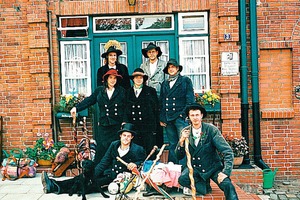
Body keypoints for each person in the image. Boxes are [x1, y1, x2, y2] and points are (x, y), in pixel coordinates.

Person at [41, 123, 146, 195]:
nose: (126, 138)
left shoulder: (137, 149)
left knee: (88, 186)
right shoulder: (114, 145)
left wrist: (135, 164)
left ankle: (57, 188)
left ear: (132, 137)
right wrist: (92, 174)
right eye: (124, 135)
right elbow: (104, 161)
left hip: (117, 179)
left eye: (129, 136)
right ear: (120, 136)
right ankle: (53, 184)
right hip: (108, 173)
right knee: (83, 178)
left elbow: (143, 163)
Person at [175, 103, 239, 199]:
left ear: (201, 115)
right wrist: (181, 141)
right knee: (182, 180)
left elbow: (227, 151)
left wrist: (225, 172)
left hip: (213, 168)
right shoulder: (185, 131)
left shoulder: (211, 130)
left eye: (197, 115)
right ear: (189, 117)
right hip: (195, 169)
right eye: (192, 115)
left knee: (227, 185)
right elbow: (179, 156)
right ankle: (204, 187)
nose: (195, 118)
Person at [71, 69, 126, 163]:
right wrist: (76, 108)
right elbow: (89, 100)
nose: (113, 80)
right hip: (104, 125)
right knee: (101, 150)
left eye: (115, 78)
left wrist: (125, 121)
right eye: (110, 78)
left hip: (116, 125)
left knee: (115, 149)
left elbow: (126, 107)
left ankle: (114, 173)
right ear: (106, 79)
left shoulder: (121, 91)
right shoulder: (100, 91)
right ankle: (99, 172)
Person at [159, 59, 195, 164]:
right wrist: (162, 117)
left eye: (173, 67)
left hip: (180, 117)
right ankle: (173, 168)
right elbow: (161, 102)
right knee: (172, 143)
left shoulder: (185, 81)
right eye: (169, 67)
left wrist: (183, 114)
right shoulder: (164, 83)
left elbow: (190, 100)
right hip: (168, 118)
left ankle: (184, 169)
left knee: (183, 142)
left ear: (177, 68)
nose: (171, 69)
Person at [123, 68, 159, 157]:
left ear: (143, 79)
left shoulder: (150, 91)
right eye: (136, 77)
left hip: (147, 127)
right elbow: (125, 109)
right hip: (134, 128)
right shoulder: (128, 92)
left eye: (140, 77)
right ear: (133, 79)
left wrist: (155, 127)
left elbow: (156, 109)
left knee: (149, 152)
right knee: (135, 152)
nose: (138, 79)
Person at [140, 43, 167, 147]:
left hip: (159, 97)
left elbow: (166, 82)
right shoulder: (143, 66)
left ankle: (158, 149)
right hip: (147, 99)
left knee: (158, 125)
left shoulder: (164, 64)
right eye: (149, 52)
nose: (151, 54)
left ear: (157, 52)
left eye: (153, 51)